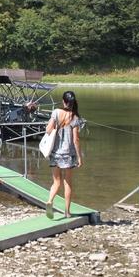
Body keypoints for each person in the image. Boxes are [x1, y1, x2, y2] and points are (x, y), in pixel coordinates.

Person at [45, 91, 83, 219]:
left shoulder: (56, 112)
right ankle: (67, 212)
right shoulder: (75, 118)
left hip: (55, 153)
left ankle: (50, 201)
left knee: (56, 182)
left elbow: (48, 130)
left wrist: (56, 126)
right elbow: (76, 140)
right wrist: (79, 157)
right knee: (68, 183)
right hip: (68, 154)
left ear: (63, 101)